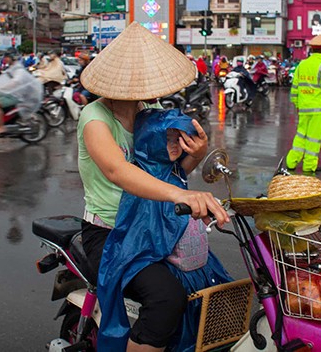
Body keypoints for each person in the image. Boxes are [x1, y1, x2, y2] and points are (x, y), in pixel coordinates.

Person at [78, 22, 229, 352]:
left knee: (205, 281)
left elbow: (170, 174)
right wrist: (183, 195)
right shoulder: (95, 118)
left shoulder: (150, 115)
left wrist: (198, 153)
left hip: (152, 227)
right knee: (167, 298)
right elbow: (118, 171)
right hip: (109, 234)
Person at [98, 109, 232, 351]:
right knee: (168, 300)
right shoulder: (143, 178)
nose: (174, 146)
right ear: (152, 140)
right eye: (167, 139)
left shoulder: (173, 170)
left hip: (180, 255)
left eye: (177, 139)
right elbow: (143, 231)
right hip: (140, 252)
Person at [286, 34, 321, 174]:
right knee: (313, 139)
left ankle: (291, 162)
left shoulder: (301, 65)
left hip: (303, 108)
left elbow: (295, 87)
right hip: (318, 110)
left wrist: (296, 104)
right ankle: (309, 166)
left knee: (301, 135)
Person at [0, 50, 44, 136]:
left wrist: (2, 88)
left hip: (17, 95)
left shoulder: (19, 69)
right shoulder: (11, 68)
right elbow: (2, 79)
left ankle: (1, 127)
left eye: (7, 57)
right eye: (5, 57)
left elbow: (16, 82)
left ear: (12, 58)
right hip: (12, 93)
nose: (5, 59)